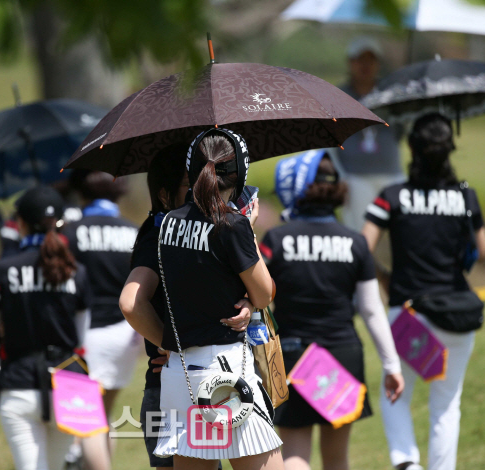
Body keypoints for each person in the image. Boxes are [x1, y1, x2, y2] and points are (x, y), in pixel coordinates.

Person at [124, 128, 284, 470]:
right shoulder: (232, 225)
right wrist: (248, 232)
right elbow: (265, 292)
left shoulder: (166, 224)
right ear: (238, 174)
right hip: (226, 373)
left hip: (180, 376)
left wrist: (168, 340)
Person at [260, 150, 404, 470]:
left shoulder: (276, 239)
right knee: (337, 459)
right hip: (344, 352)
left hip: (292, 357)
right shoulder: (355, 243)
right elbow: (370, 309)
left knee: (295, 455)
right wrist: (391, 364)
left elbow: (256, 295)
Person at [362, 113, 485, 470]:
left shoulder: (392, 196)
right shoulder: (466, 197)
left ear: (413, 149)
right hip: (456, 316)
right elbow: (482, 247)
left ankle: (406, 463)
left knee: (396, 394)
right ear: (449, 150)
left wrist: (386, 279)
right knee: (447, 405)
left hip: (409, 316)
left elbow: (362, 248)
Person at [0, 186, 109, 470]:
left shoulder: (2, 270)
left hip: (18, 383)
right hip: (68, 385)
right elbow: (79, 337)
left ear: (20, 224)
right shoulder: (78, 271)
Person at [62, 171, 140, 422]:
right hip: (126, 334)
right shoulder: (136, 232)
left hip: (82, 333)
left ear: (80, 192)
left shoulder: (69, 233)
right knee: (103, 417)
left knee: (81, 419)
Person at [330, 36, 405, 231]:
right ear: (351, 63)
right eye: (360, 60)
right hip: (355, 177)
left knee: (397, 231)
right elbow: (330, 139)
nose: (365, 65)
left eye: (370, 60)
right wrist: (340, 175)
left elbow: (401, 130)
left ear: (377, 64)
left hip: (391, 174)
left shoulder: (391, 94)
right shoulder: (338, 96)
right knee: (358, 231)